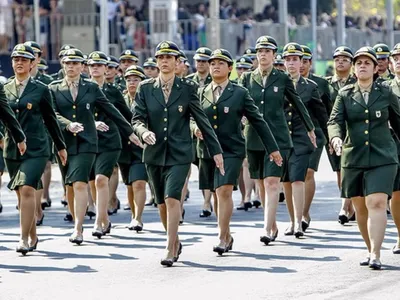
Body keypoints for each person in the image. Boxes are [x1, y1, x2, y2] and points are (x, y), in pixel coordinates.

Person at [132, 40, 224, 267]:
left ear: (177, 62)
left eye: (168, 58)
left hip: (180, 153)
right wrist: (143, 133)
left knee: (173, 198)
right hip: (154, 153)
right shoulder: (145, 88)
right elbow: (137, 119)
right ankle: (175, 240)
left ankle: (169, 247)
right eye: (160, 58)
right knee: (161, 203)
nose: (164, 62)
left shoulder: (187, 88)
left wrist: (216, 151)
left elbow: (201, 120)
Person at [49, 48, 141, 245]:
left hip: (90, 143)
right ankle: (92, 220)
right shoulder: (54, 88)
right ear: (63, 66)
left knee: (85, 182)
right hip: (65, 143)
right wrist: (67, 124)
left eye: (75, 63)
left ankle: (79, 228)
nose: (71, 67)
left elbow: (114, 111)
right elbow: (52, 113)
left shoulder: (91, 88)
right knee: (71, 186)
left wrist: (132, 132)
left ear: (81, 67)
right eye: (67, 63)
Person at [196, 48, 282, 253]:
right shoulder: (201, 91)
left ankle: (221, 238)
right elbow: (192, 117)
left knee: (224, 190)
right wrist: (194, 128)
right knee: (216, 194)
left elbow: (258, 122)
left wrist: (273, 149)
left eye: (220, 63)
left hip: (231, 149)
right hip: (207, 149)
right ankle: (225, 233)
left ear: (230, 68)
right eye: (212, 63)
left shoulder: (240, 92)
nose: (215, 66)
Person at [328, 46, 400, 270]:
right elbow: (334, 121)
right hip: (353, 157)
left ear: (375, 67)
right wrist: (336, 139)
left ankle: (376, 254)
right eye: (358, 63)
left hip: (383, 156)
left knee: (376, 202)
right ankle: (370, 248)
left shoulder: (385, 92)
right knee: (360, 208)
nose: (362, 66)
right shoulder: (345, 93)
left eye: (367, 63)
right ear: (353, 67)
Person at [239, 35, 315, 245]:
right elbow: (237, 105)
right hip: (254, 138)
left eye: (267, 51)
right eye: (259, 51)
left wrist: (310, 128)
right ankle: (271, 224)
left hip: (278, 138)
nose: (262, 55)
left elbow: (297, 103)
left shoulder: (282, 79)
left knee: (273, 183)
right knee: (262, 185)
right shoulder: (246, 79)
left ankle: (266, 228)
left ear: (274, 55)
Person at [4, 44, 66, 255]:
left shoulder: (41, 89)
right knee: (21, 194)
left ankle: (22, 239)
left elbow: (51, 120)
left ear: (33, 64)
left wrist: (60, 147)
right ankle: (32, 235)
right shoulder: (5, 89)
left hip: (37, 148)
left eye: (24, 59)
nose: (19, 63)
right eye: (15, 59)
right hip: (12, 149)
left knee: (28, 188)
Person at [281, 43, 327, 237]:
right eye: (288, 59)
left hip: (302, 139)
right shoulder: (276, 84)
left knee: (298, 179)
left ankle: (300, 221)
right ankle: (292, 221)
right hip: (282, 139)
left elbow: (321, 114)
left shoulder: (311, 87)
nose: (292, 63)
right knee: (286, 181)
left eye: (295, 60)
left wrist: (331, 137)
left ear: (302, 62)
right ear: (283, 62)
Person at [87, 51, 133, 237]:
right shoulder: (82, 89)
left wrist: (135, 132)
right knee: (91, 181)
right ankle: (104, 216)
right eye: (92, 65)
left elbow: (125, 115)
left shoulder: (113, 91)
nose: (96, 68)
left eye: (100, 65)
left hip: (109, 141)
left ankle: (99, 221)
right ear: (87, 68)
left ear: (107, 69)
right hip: (88, 141)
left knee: (100, 179)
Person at [300, 45, 332, 231]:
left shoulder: (320, 84)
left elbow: (326, 113)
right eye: (298, 60)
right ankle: (296, 215)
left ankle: (304, 213)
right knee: (293, 177)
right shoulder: (285, 82)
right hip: (292, 134)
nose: (302, 65)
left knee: (308, 173)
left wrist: (330, 137)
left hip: (316, 134)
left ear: (310, 63)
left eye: (305, 61)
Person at [326, 46, 357, 225]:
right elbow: (323, 111)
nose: (340, 62)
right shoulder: (326, 83)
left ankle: (345, 206)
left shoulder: (357, 81)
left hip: (353, 131)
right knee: (339, 170)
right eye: (337, 59)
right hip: (334, 132)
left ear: (351, 63)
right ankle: (348, 203)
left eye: (345, 59)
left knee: (349, 168)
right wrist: (330, 136)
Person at [24, 41, 54, 219]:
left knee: (43, 166)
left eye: (34, 54)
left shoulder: (47, 82)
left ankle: (42, 199)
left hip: (44, 131)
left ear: (38, 58)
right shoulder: (15, 82)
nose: (31, 58)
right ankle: (31, 206)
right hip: (24, 132)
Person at [186, 46, 214, 217]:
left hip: (210, 129)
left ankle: (207, 202)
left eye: (204, 61)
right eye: (198, 61)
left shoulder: (216, 79)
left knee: (208, 166)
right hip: (192, 130)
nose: (201, 64)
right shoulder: (188, 81)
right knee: (199, 166)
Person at [121, 65, 148, 231]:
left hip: (141, 148)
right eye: (129, 80)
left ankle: (138, 217)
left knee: (139, 183)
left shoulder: (147, 99)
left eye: (136, 80)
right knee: (129, 185)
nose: (132, 83)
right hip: (124, 149)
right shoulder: (120, 99)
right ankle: (133, 214)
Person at [386, 42, 400, 254]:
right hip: (393, 146)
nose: (398, 62)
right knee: (396, 193)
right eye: (395, 58)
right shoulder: (385, 88)